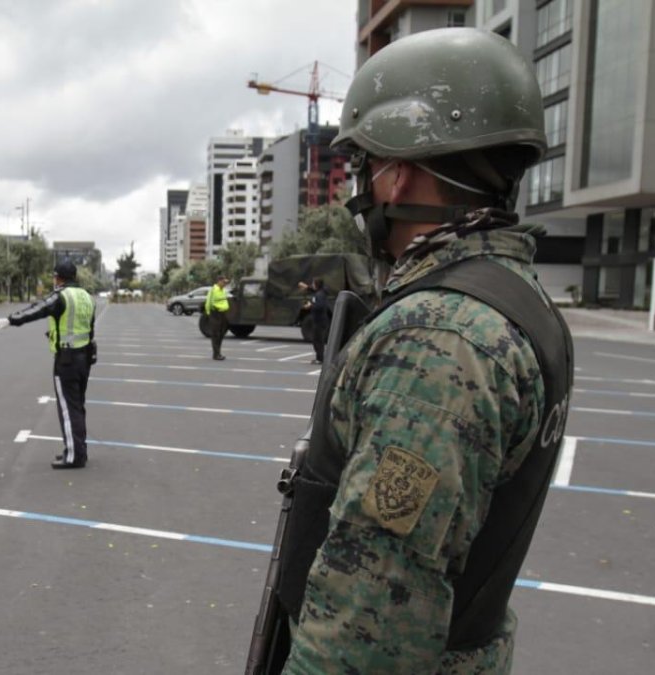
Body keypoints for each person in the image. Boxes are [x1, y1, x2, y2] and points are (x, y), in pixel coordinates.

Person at [277, 28, 574, 673]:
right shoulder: (516, 298)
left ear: (397, 174)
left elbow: (369, 623)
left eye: (365, 166)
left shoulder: (439, 337)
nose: (360, 189)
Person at [7, 260, 97, 469]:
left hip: (67, 360)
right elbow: (86, 328)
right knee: (77, 406)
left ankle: (74, 456)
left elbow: (37, 309)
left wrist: (12, 319)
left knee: (68, 409)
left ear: (59, 277)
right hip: (84, 358)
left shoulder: (60, 296)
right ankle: (79, 450)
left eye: (54, 276)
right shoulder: (87, 296)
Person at [297, 278, 329, 364]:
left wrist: (310, 305)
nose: (312, 285)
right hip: (319, 320)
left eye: (313, 283)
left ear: (316, 285)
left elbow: (320, 306)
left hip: (319, 321)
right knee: (317, 340)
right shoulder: (320, 292)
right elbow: (313, 290)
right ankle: (319, 358)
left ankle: (320, 359)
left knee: (318, 341)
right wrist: (306, 287)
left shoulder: (319, 295)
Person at [204, 275, 230, 360]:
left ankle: (218, 352)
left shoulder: (224, 290)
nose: (225, 284)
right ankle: (216, 354)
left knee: (221, 334)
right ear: (219, 281)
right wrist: (209, 314)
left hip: (223, 313)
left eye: (225, 282)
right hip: (215, 313)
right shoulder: (213, 290)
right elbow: (208, 302)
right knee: (216, 334)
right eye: (223, 282)